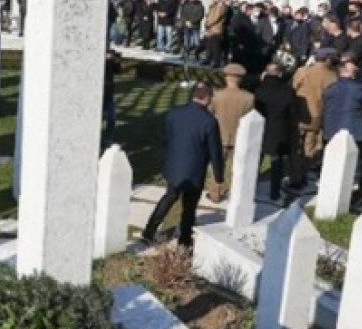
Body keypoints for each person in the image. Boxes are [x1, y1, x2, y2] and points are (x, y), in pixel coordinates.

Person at [140, 83, 224, 249]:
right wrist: (219, 175)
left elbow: (167, 137)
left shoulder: (174, 113)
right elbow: (215, 151)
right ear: (206, 98)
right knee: (189, 206)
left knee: (169, 197)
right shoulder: (209, 121)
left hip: (174, 165)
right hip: (194, 170)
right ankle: (184, 242)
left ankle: (149, 231)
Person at [323, 53, 362, 189]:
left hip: (332, 129)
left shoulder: (330, 88)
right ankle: (351, 186)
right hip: (353, 130)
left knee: (332, 161)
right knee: (352, 163)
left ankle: (330, 185)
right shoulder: (358, 89)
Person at [290, 48, 339, 188]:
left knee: (296, 147)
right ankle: (303, 175)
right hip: (317, 116)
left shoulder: (302, 71)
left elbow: (293, 88)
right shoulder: (332, 76)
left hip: (299, 114)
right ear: (328, 59)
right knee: (309, 147)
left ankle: (295, 175)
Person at [208, 63, 255, 203]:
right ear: (240, 79)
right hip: (239, 136)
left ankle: (215, 193)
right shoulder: (249, 97)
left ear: (226, 78)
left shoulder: (217, 96)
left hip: (219, 136)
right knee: (237, 167)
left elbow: (209, 114)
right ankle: (234, 192)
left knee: (216, 166)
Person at [255, 63, 296, 201]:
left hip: (260, 128)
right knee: (277, 163)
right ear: (280, 74)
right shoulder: (288, 91)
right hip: (279, 129)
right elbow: (292, 113)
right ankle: (274, 192)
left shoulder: (259, 90)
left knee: (256, 160)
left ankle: (251, 187)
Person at [204, 0, 227, 67]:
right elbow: (208, 15)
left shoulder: (221, 5)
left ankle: (217, 62)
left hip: (216, 28)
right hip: (210, 28)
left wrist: (209, 23)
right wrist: (206, 23)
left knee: (216, 47)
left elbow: (217, 16)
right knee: (209, 46)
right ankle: (208, 59)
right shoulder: (212, 5)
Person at [103, 49, 122, 140]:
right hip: (100, 91)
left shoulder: (111, 58)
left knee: (112, 118)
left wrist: (116, 60)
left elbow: (118, 70)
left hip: (109, 91)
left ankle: (108, 140)